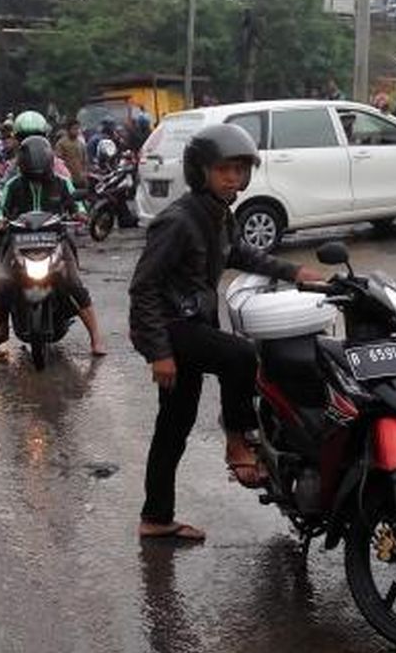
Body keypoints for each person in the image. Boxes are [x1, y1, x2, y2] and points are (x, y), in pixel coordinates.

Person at [129, 124, 325, 541]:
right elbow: (143, 287)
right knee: (241, 356)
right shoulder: (178, 221)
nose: (232, 177)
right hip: (173, 329)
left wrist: (295, 272)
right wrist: (158, 353)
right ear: (200, 171)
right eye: (223, 170)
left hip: (193, 325)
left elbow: (239, 252)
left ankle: (156, 518)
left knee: (173, 427)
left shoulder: (219, 214)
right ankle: (238, 440)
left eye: (239, 169)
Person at [0, 135, 107, 355]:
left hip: (56, 240)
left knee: (73, 284)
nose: (37, 178)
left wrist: (81, 213)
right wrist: (0, 218)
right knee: (2, 287)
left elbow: (76, 203)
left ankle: (96, 337)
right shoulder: (14, 184)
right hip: (19, 241)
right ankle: (2, 330)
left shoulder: (61, 182)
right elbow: (1, 206)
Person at [54, 118, 89, 188]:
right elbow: (58, 162)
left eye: (78, 129)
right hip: (67, 179)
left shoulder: (81, 144)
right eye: (74, 129)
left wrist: (84, 173)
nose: (76, 131)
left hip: (80, 178)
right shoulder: (61, 143)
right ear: (68, 130)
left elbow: (85, 161)